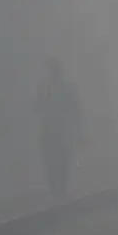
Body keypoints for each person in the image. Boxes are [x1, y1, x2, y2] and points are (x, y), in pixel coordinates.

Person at [36, 58, 84, 199]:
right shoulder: (45, 88)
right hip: (50, 131)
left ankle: (60, 189)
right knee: (51, 161)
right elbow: (37, 106)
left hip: (62, 131)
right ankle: (56, 190)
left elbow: (77, 110)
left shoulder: (67, 88)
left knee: (62, 160)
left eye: (54, 70)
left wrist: (79, 130)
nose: (53, 73)